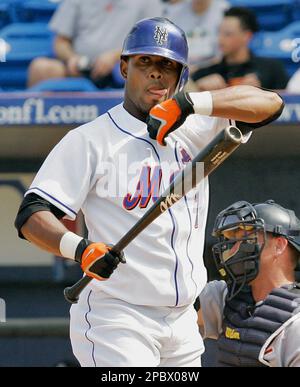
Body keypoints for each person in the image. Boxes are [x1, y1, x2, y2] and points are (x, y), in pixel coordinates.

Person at [15, 17, 283, 367]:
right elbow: (31, 214)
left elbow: (269, 104)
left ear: (180, 75)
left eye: (167, 65)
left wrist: (189, 104)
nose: (157, 73)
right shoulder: (91, 140)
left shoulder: (198, 126)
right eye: (146, 62)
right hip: (118, 317)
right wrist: (79, 249)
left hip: (185, 320)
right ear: (124, 67)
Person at [198, 200, 300, 367]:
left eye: (246, 237)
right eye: (233, 240)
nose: (233, 250)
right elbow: (173, 305)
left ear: (279, 245)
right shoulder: (227, 295)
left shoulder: (296, 322)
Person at [27, 0, 163, 88]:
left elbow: (152, 40)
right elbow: (60, 42)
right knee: (41, 67)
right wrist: (71, 58)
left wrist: (117, 56)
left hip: (125, 66)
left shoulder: (149, 2)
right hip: (80, 68)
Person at [192, 7, 289, 91]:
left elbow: (288, 103)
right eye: (219, 33)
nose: (220, 40)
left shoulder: (272, 69)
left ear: (247, 36)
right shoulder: (206, 72)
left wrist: (261, 93)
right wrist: (197, 88)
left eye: (227, 34)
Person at [164, 0, 228, 72]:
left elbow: (226, 53)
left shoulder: (224, 11)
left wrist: (198, 68)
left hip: (213, 68)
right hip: (181, 67)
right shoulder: (174, 12)